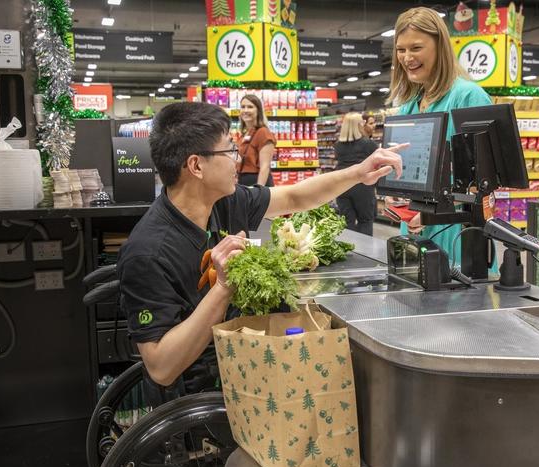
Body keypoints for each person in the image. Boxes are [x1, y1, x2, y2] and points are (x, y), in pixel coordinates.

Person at [117, 102, 405, 404]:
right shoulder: (148, 253)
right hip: (204, 395)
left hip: (239, 359)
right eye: (229, 150)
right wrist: (223, 287)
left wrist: (359, 173)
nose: (237, 159)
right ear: (196, 166)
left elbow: (294, 197)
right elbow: (162, 367)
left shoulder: (221, 202)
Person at [387, 6, 493, 268]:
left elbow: (483, 184)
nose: (407, 57)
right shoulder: (409, 106)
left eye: (416, 48)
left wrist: (431, 214)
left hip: (459, 237)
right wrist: (397, 194)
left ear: (440, 46)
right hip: (414, 233)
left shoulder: (469, 97)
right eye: (401, 49)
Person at [333, 113, 379, 236]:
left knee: (347, 221)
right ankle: (365, 252)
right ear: (359, 125)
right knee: (365, 220)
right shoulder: (368, 144)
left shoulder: (338, 146)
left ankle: (350, 251)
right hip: (362, 186)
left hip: (342, 185)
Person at [237, 94, 276, 187]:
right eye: (243, 107)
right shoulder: (244, 134)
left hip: (257, 183)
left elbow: (265, 167)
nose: (245, 110)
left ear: (258, 111)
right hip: (243, 183)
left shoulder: (263, 132)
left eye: (250, 107)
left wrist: (259, 192)